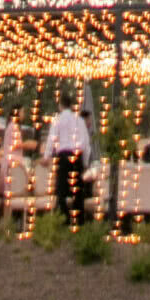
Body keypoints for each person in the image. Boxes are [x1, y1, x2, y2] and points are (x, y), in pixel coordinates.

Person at [41, 91, 90, 226]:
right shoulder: (79, 120)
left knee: (61, 189)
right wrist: (85, 162)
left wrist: (46, 156)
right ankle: (79, 222)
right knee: (77, 190)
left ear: (61, 105)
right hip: (76, 156)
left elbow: (52, 139)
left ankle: (64, 220)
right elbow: (86, 142)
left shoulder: (58, 120)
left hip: (63, 156)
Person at [0, 107, 24, 190]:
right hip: (12, 165)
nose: (24, 115)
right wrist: (29, 144)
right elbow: (16, 144)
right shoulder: (13, 127)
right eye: (22, 112)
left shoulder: (10, 126)